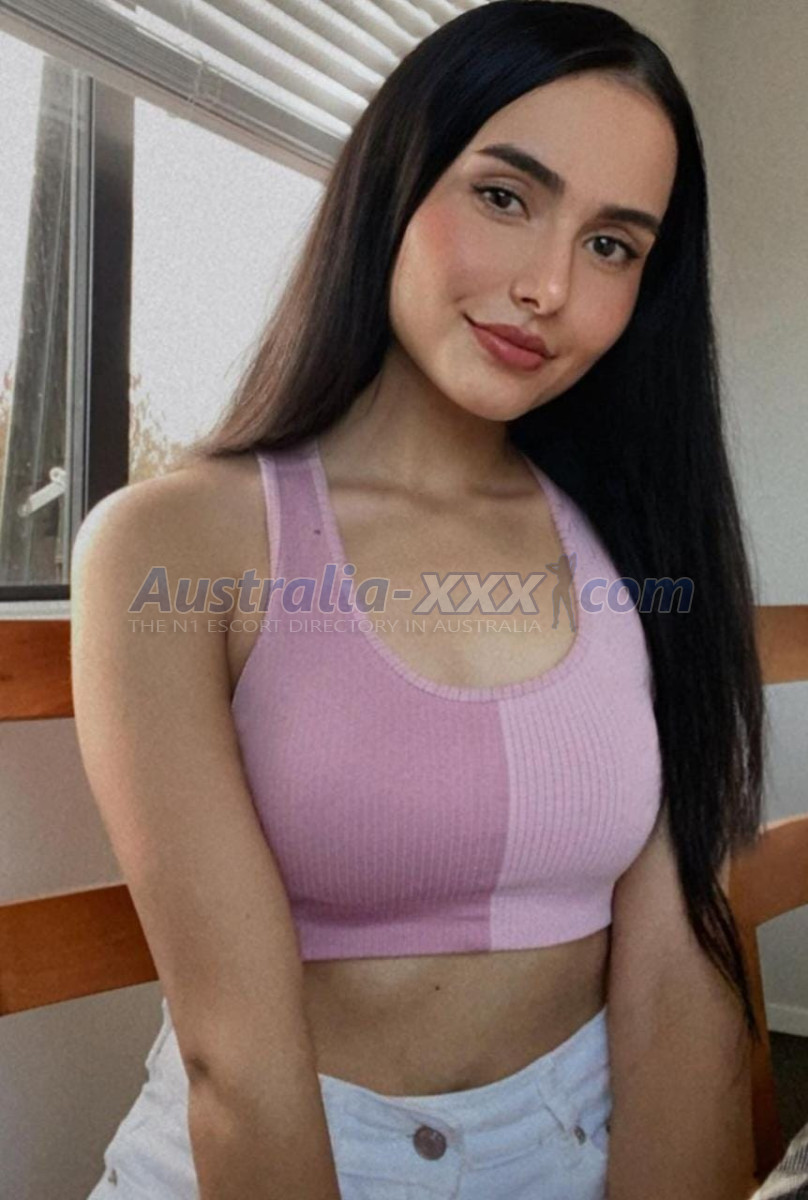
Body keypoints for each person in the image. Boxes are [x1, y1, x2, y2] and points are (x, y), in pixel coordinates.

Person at [71, 3, 766, 1197]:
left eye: (612, 245)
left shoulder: (643, 546)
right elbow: (236, 1060)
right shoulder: (171, 542)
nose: (547, 285)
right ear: (392, 186)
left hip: (577, 1144)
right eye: (503, 196)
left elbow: (676, 985)